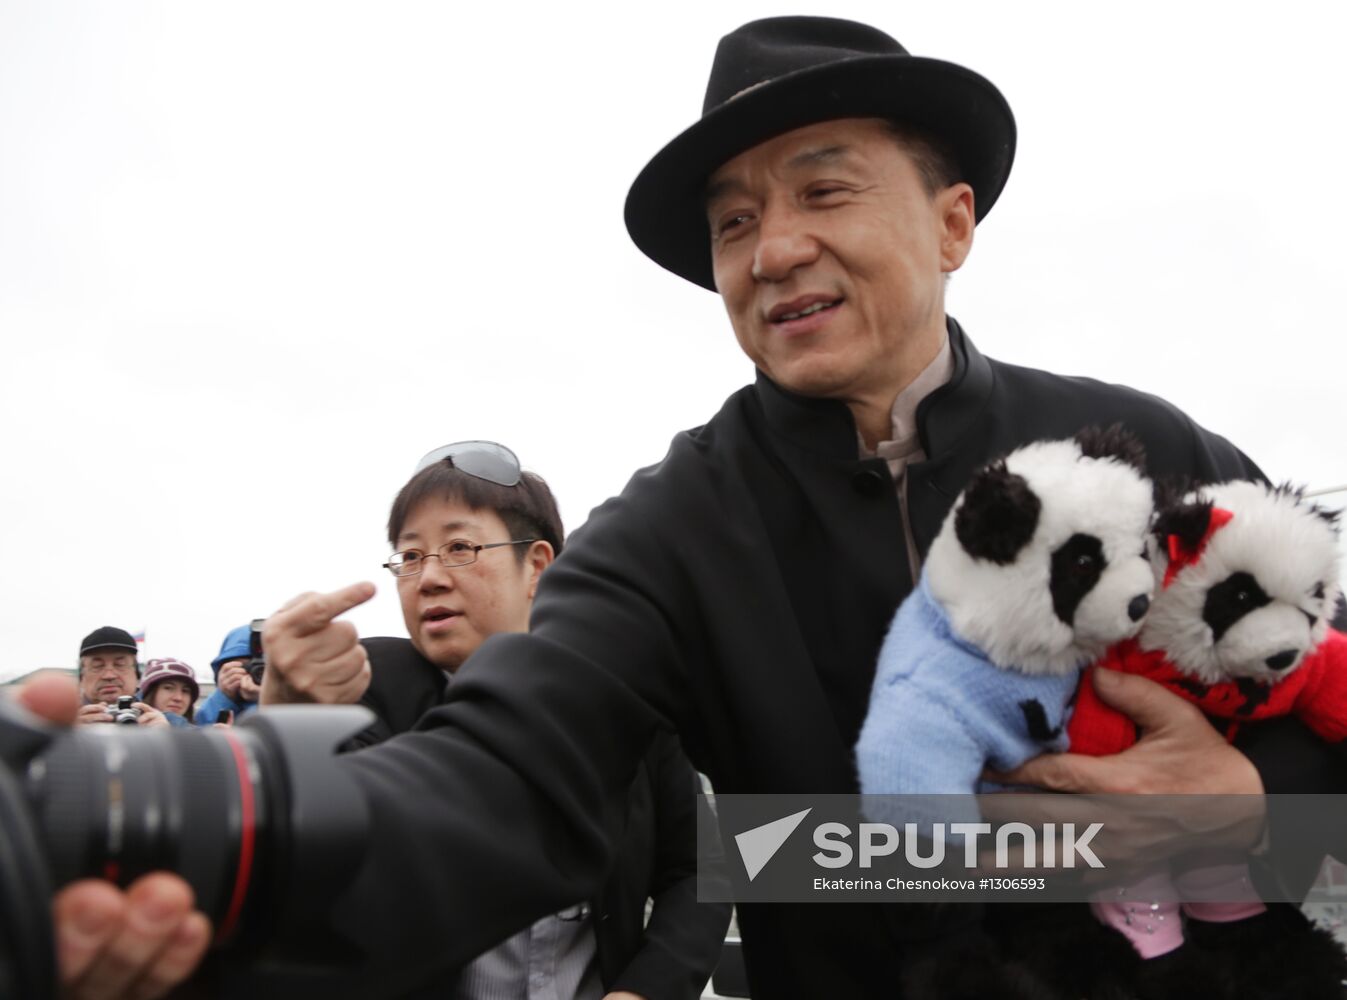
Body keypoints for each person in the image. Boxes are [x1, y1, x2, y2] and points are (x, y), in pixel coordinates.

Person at [38, 15, 1347, 999]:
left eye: (823, 189)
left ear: (952, 223)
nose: (771, 250)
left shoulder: (1146, 452)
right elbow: (494, 782)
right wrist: (166, 847)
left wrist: (1247, 806)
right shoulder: (673, 530)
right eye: (732, 222)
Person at [257, 441, 730, 1000]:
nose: (429, 578)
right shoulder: (362, 693)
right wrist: (283, 716)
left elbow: (704, 869)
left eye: (459, 547)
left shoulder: (629, 698)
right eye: (410, 556)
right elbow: (295, 859)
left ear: (538, 566)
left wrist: (642, 992)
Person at [74, 626, 169, 729]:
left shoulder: (170, 722)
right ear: (81, 678)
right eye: (97, 666)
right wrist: (69, 733)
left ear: (137, 675)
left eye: (120, 665)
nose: (109, 675)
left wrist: (164, 735)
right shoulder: (65, 724)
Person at [193, 624, 260, 726]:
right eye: (240, 667)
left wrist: (264, 697)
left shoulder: (283, 697)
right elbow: (205, 728)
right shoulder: (213, 705)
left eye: (257, 667)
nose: (248, 674)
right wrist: (223, 697)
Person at [137, 657, 201, 727]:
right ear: (150, 692)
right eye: (168, 688)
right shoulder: (131, 729)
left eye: (185, 691)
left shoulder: (201, 732)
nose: (178, 698)